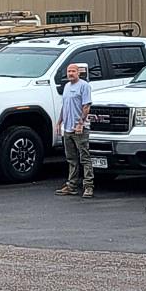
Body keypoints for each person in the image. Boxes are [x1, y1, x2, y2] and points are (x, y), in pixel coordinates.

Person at [54, 63, 95, 199]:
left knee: (85, 158)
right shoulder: (66, 87)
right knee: (71, 158)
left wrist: (80, 123)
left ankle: (88, 186)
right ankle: (72, 185)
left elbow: (86, 106)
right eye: (68, 71)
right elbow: (64, 106)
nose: (70, 73)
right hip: (67, 128)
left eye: (73, 71)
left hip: (79, 129)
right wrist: (59, 122)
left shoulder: (84, 86)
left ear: (78, 73)